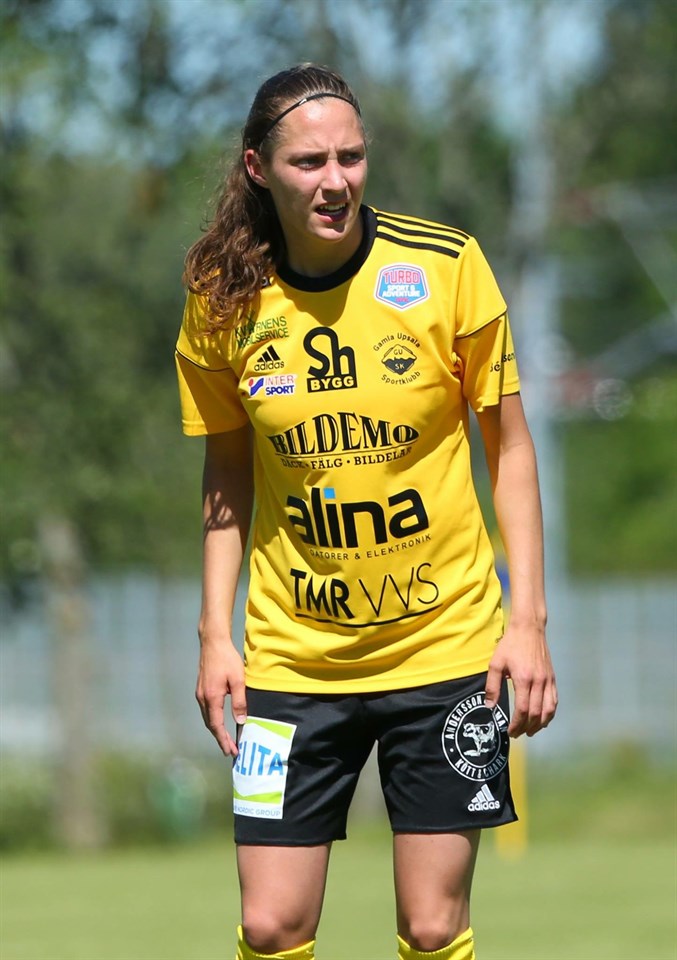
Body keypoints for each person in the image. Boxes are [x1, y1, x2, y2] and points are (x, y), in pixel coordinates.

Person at [175, 63, 557, 960]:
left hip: (447, 649)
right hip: (289, 658)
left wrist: (527, 623)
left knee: (431, 924)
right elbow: (226, 468)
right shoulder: (221, 296)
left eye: (350, 157)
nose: (335, 181)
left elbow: (509, 449)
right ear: (259, 168)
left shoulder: (445, 267)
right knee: (270, 924)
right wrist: (215, 634)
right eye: (309, 162)